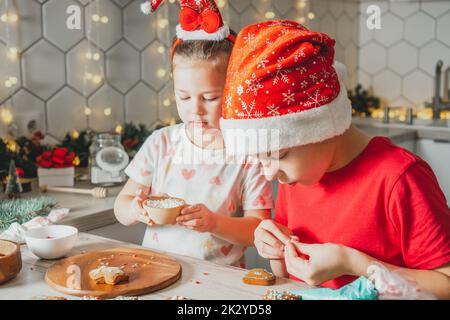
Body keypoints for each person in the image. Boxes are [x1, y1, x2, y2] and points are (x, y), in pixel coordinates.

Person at [219, 20, 450, 298]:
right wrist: (276, 251)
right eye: (260, 160)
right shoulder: (297, 177)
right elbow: (290, 282)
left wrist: (352, 263)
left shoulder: (400, 178)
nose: (268, 174)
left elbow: (445, 284)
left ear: (319, 127)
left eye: (277, 155)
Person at [114, 0, 273, 267]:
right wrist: (135, 208)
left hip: (220, 283)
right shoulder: (161, 143)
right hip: (158, 273)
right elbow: (121, 207)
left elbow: (259, 230)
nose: (195, 110)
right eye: (184, 97)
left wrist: (214, 223)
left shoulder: (249, 154)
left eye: (210, 98)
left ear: (233, 92)